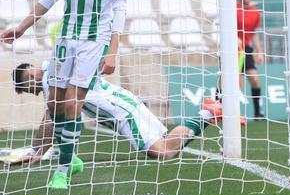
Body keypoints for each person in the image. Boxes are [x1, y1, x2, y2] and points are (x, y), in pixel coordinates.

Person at [1, 0, 126, 190]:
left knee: (72, 102)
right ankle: (71, 157)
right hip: (66, 38)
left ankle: (63, 169)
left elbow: (119, 5)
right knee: (55, 103)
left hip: (94, 41)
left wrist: (113, 50)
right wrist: (21, 27)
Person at [8, 60, 222, 164]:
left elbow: (50, 121)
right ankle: (208, 112)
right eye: (27, 84)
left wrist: (36, 152)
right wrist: (37, 150)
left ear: (35, 68)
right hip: (125, 104)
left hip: (123, 113)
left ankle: (209, 112)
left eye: (30, 75)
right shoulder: (55, 73)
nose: (33, 80)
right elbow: (51, 118)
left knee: (162, 151)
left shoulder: (50, 78)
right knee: (164, 146)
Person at [235, 0, 265, 120]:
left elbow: (254, 35)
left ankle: (258, 113)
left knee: (254, 78)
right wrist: (234, 39)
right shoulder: (233, 9)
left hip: (246, 49)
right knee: (228, 81)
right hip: (232, 49)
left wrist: (260, 52)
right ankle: (218, 110)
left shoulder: (255, 12)